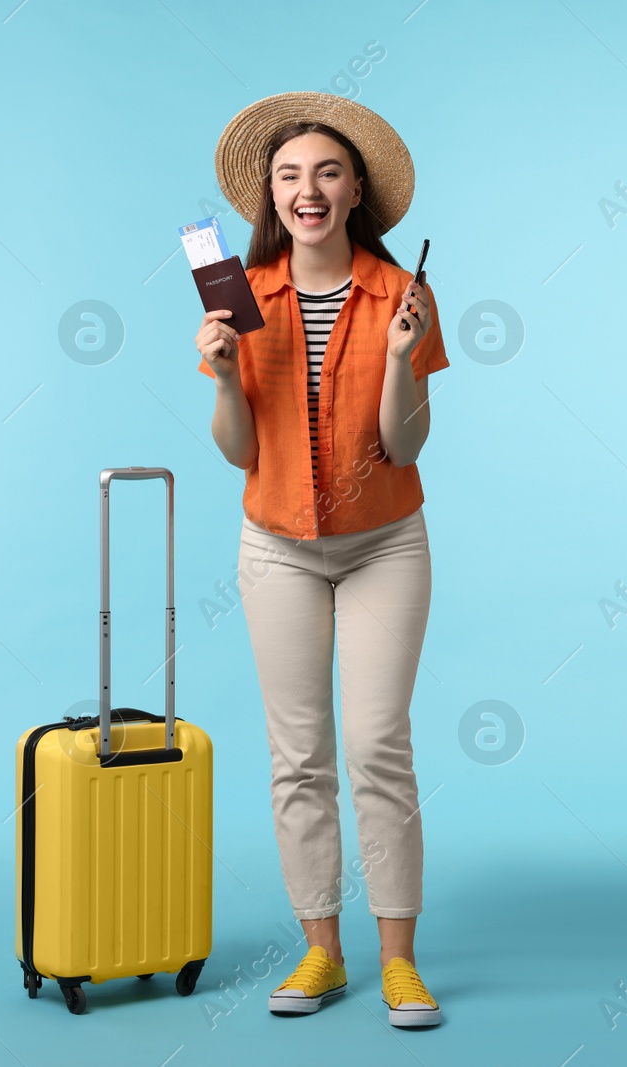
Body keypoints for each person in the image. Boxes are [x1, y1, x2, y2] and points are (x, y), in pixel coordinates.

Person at [193, 92, 448, 1028]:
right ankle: (321, 952)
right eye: (290, 174)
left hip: (385, 542)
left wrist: (400, 360)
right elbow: (236, 452)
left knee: (378, 743)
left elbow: (406, 446)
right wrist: (225, 376)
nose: (308, 188)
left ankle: (399, 960)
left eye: (327, 172)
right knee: (298, 753)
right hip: (277, 549)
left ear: (354, 192)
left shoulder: (403, 295)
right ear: (271, 193)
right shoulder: (240, 294)